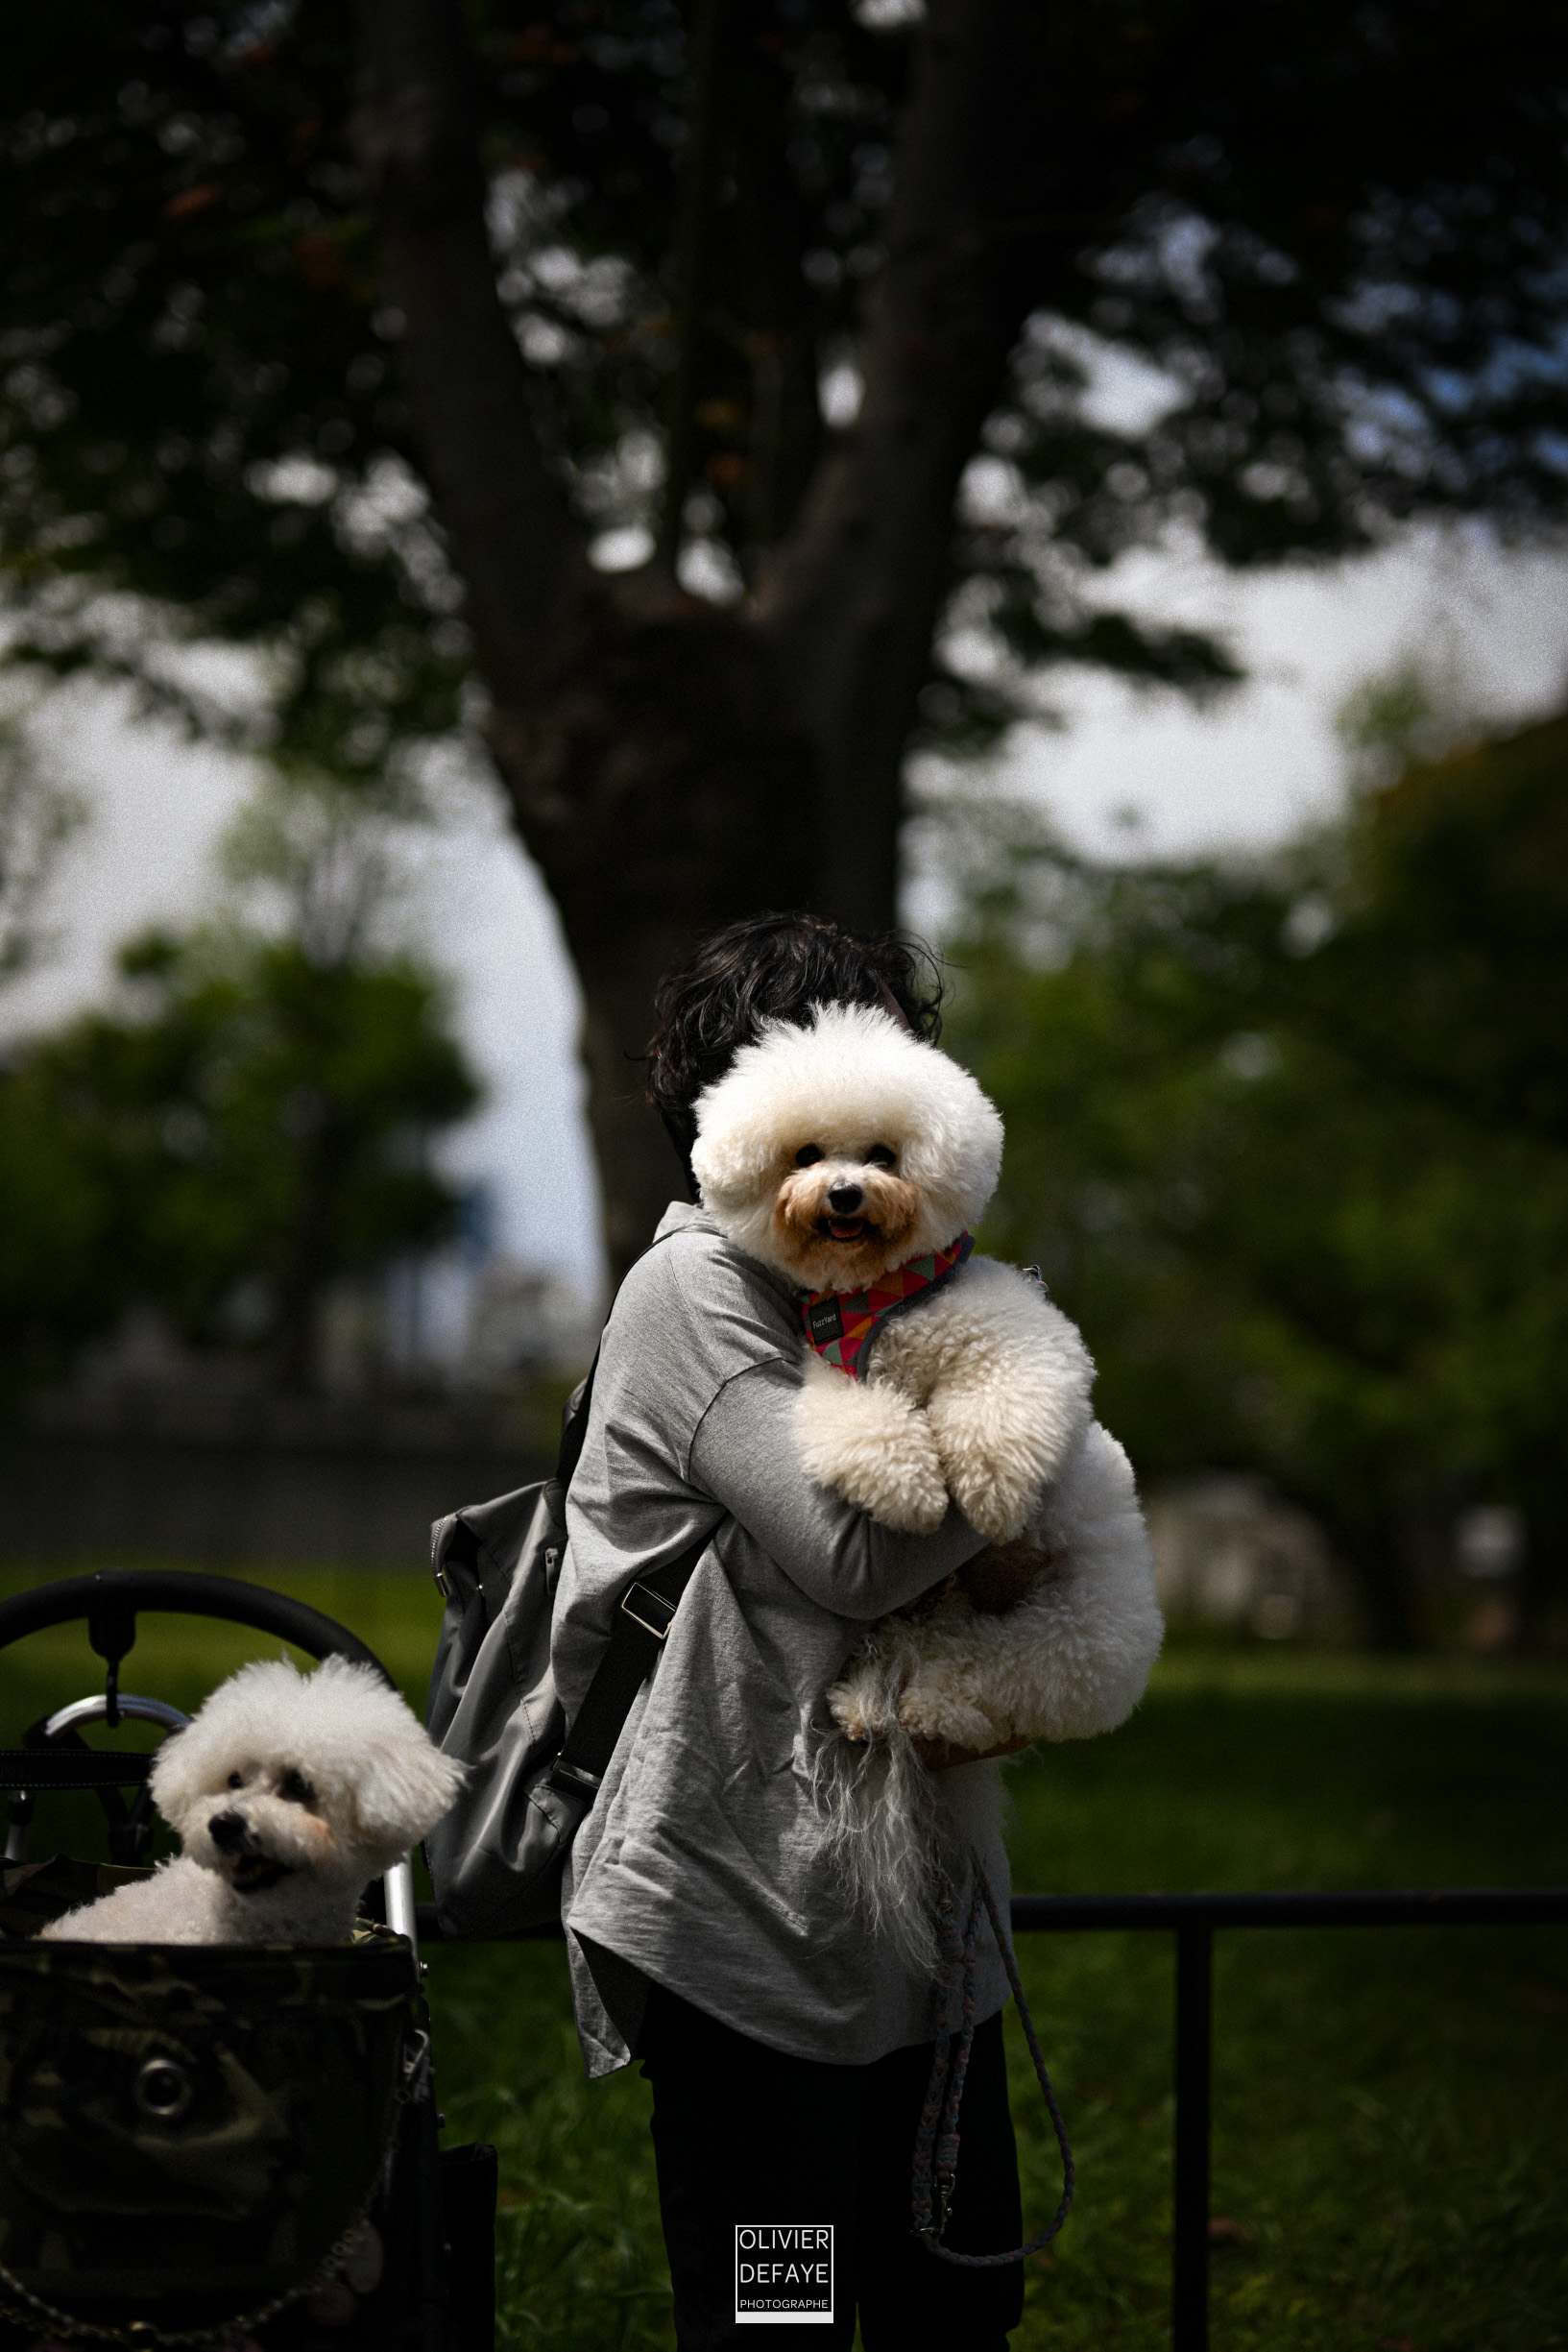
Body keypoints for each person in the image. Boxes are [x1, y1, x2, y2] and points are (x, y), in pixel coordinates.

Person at [551, 911, 1025, 2351]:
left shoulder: (891, 1292)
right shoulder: (695, 1287)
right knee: (784, 2316)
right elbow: (848, 1555)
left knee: (957, 2303)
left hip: (917, 1928)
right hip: (744, 1924)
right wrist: (1019, 1448)